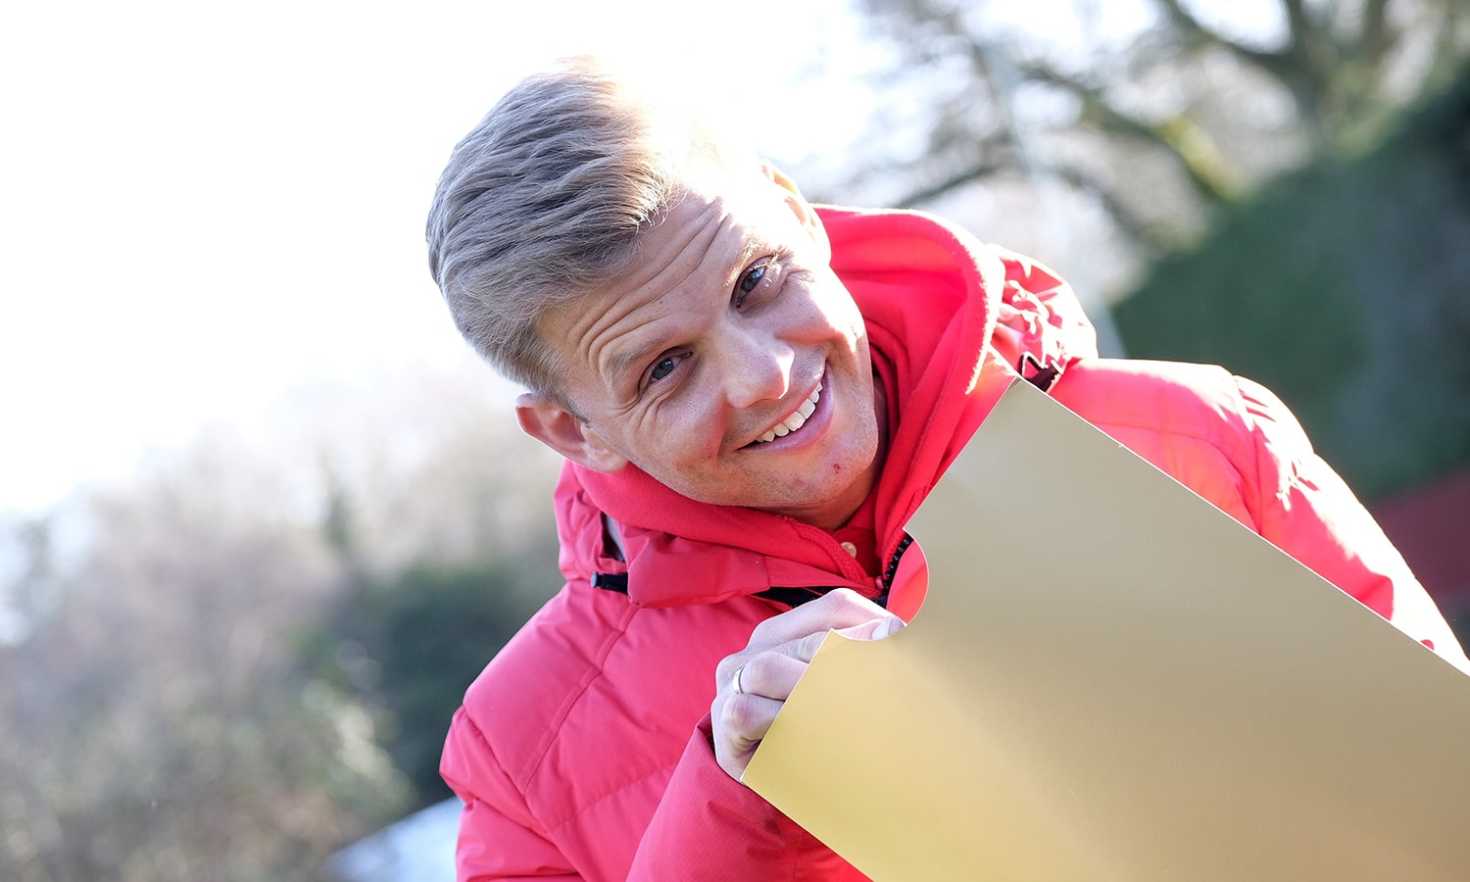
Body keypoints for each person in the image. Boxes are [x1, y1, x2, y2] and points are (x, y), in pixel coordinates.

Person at [424, 59, 1468, 882]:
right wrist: (742, 821)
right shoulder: (521, 754)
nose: (765, 374)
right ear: (571, 432)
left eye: (756, 281)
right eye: (664, 368)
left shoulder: (1195, 437)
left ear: (795, 212)